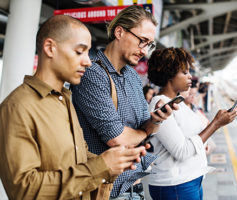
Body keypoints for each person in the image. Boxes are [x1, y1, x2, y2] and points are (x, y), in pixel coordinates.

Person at [0, 15, 149, 200]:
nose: (87, 61)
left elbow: (75, 157)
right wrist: (100, 166)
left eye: (88, 53)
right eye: (80, 52)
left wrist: (115, 160)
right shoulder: (18, 107)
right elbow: (23, 189)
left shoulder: (64, 100)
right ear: (50, 48)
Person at [71, 5, 175, 199]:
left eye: (149, 45)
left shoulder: (134, 78)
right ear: (119, 31)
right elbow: (117, 138)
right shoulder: (93, 74)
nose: (144, 50)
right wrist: (144, 130)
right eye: (142, 41)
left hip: (135, 188)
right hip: (108, 191)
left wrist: (157, 119)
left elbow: (146, 129)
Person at [146, 47, 237, 200]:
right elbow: (182, 151)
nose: (190, 77)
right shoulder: (160, 105)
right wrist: (216, 123)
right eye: (185, 72)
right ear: (170, 74)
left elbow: (195, 136)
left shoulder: (178, 103)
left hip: (190, 181)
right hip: (175, 186)